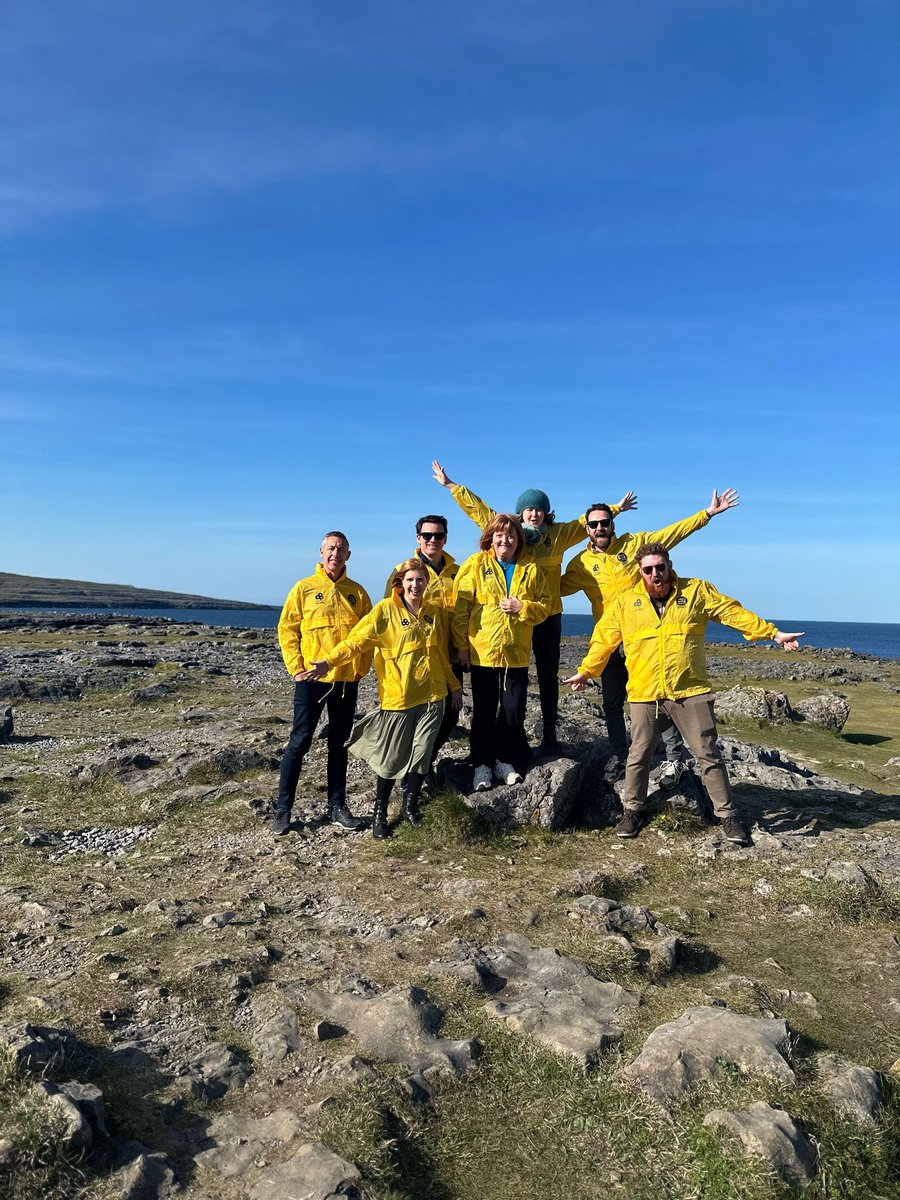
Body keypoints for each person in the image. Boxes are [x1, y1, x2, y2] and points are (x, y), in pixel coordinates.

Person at [564, 542, 803, 846]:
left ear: (669, 566)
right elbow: (604, 639)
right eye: (648, 570)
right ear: (640, 572)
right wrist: (587, 670)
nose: (655, 574)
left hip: (689, 690)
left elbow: (732, 613)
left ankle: (727, 817)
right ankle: (632, 811)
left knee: (708, 755)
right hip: (645, 692)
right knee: (638, 755)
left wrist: (773, 633)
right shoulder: (626, 601)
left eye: (659, 568)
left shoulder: (696, 592)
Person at [433, 459, 634, 756]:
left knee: (548, 677)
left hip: (548, 614)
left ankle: (549, 733)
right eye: (529, 509)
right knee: (515, 679)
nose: (534, 513)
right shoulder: (511, 533)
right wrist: (452, 486)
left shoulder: (560, 534)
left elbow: (588, 522)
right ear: (520, 512)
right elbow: (480, 511)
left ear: (546, 512)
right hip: (514, 618)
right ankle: (509, 738)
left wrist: (615, 509)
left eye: (539, 508)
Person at [561, 489, 740, 784]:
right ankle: (622, 756)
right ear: (587, 529)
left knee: (660, 695)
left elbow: (673, 534)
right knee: (612, 702)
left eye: (605, 522)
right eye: (593, 525)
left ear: (612, 524)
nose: (600, 528)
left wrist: (706, 514)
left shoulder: (635, 544)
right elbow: (555, 588)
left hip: (645, 636)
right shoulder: (580, 564)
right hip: (610, 641)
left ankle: (673, 759)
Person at [300, 559, 462, 839]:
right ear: (400, 583)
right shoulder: (385, 611)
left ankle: (409, 809)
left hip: (434, 697)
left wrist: (454, 686)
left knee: (422, 756)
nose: (415, 585)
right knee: (392, 760)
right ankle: (380, 814)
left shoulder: (433, 612)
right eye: (410, 580)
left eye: (420, 580)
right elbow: (356, 642)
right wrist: (328, 662)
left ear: (427, 583)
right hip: (400, 698)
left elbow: (439, 655)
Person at [273, 531, 373, 836]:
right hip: (312, 680)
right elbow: (287, 628)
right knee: (299, 742)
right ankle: (283, 809)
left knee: (339, 744)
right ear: (320, 553)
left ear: (348, 556)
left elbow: (368, 634)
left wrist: (361, 669)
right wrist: (296, 668)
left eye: (341, 549)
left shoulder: (357, 593)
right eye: (330, 548)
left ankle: (337, 806)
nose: (335, 553)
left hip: (345, 680)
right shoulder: (303, 588)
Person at [452, 513, 550, 790]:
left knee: (512, 711)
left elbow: (544, 606)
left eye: (510, 535)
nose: (504, 539)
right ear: (490, 538)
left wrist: (524, 608)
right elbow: (461, 609)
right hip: (483, 652)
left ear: (519, 539)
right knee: (484, 711)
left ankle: (504, 761)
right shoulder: (475, 564)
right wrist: (462, 646)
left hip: (516, 654)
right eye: (499, 534)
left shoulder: (530, 567)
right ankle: (481, 764)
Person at [384, 514, 463, 773]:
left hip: (450, 655)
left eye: (438, 535)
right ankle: (409, 771)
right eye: (427, 535)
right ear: (418, 538)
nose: (433, 540)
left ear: (445, 538)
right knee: (417, 716)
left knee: (450, 715)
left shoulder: (458, 572)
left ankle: (422, 765)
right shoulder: (405, 570)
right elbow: (390, 615)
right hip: (416, 658)